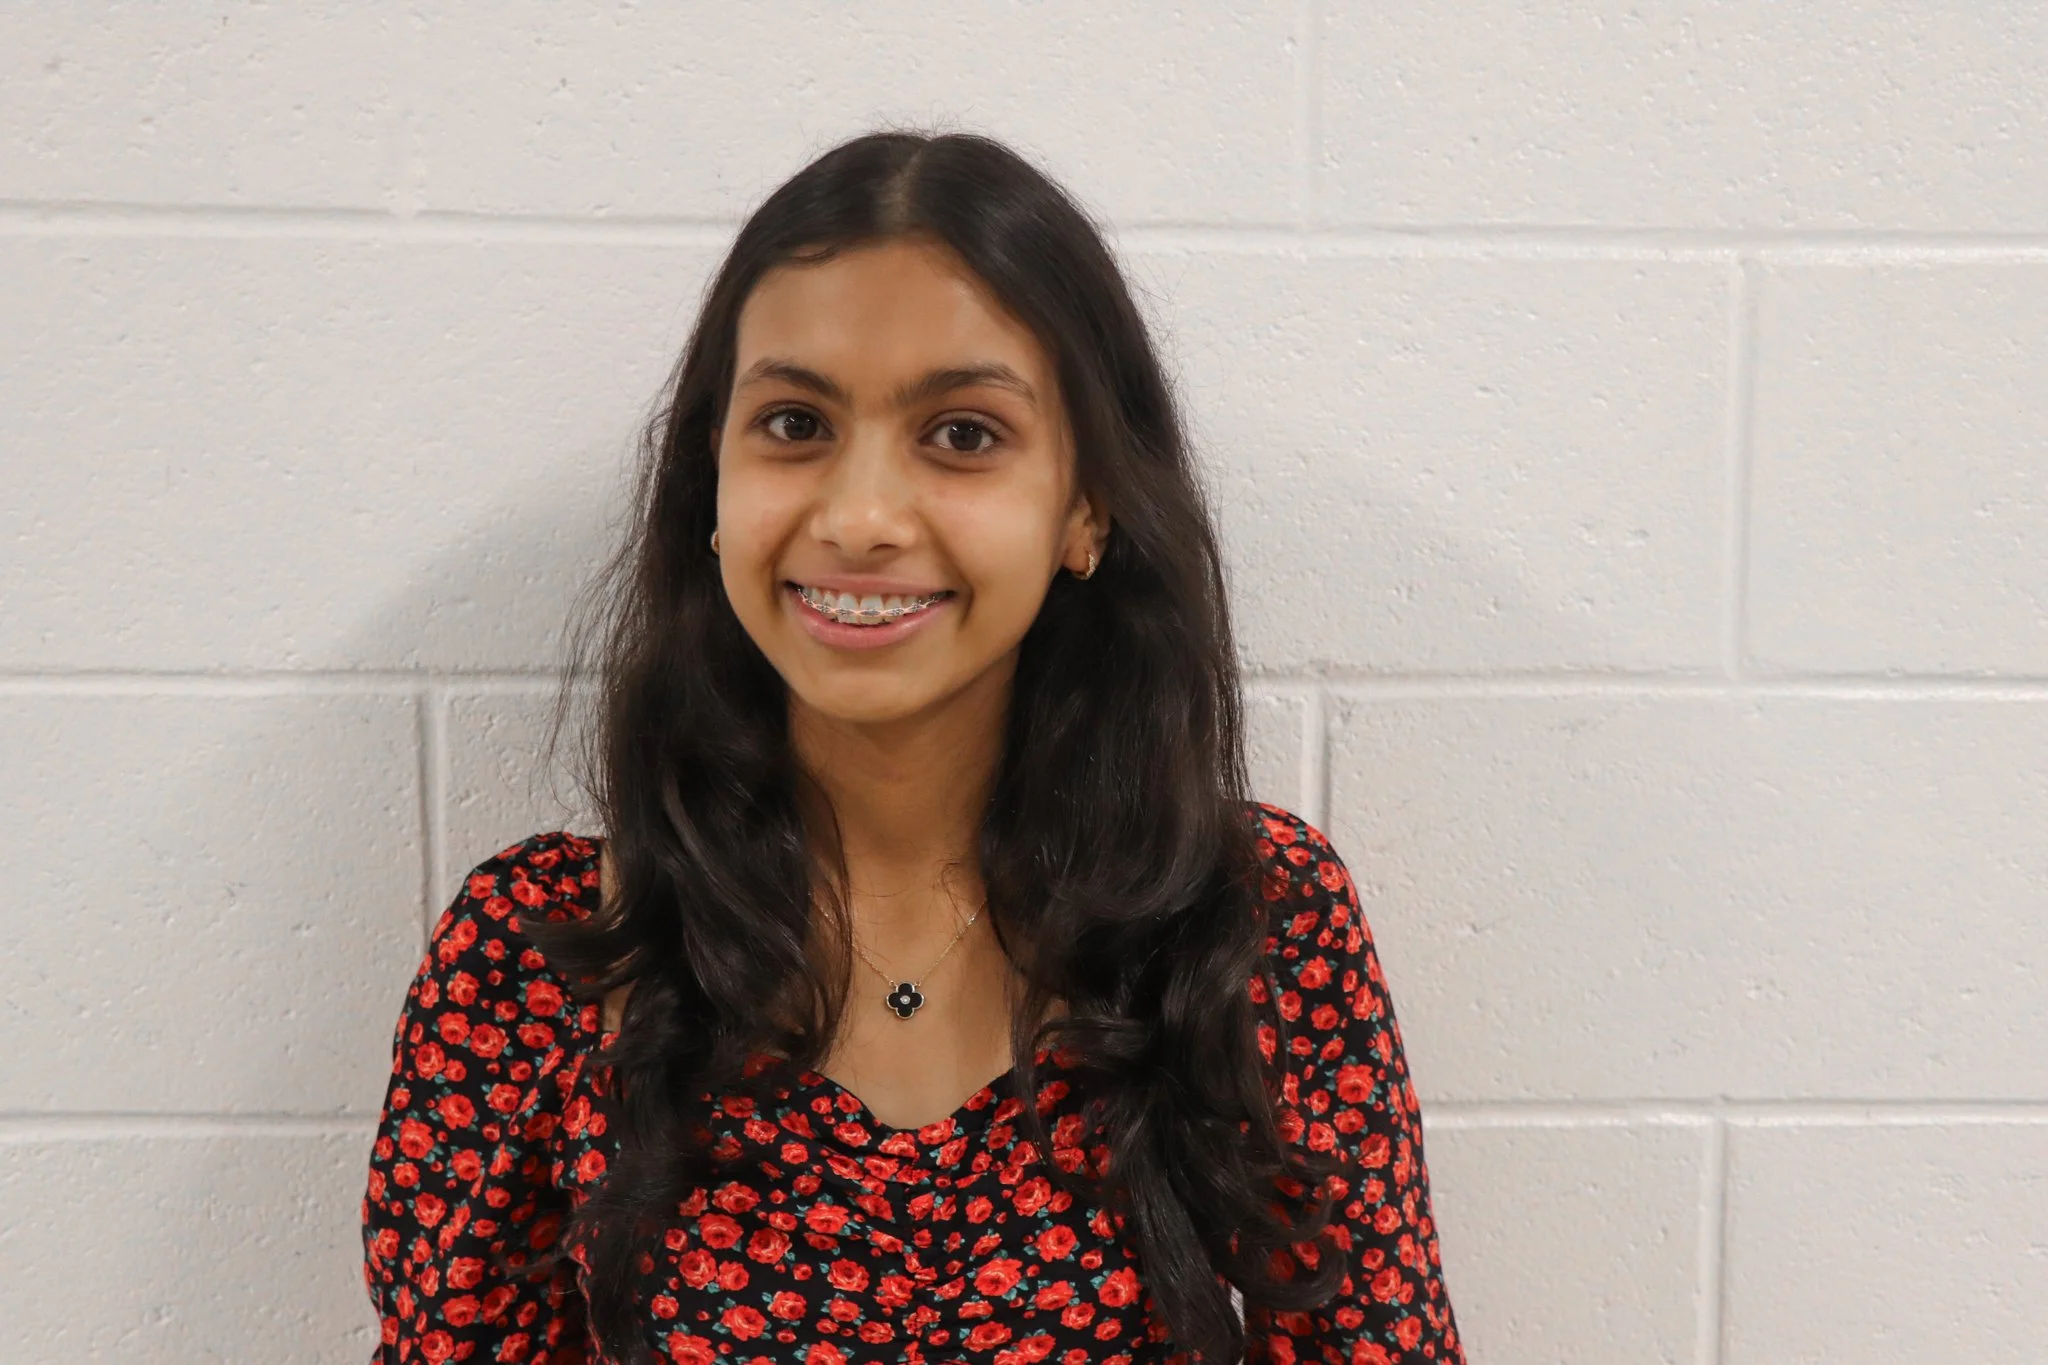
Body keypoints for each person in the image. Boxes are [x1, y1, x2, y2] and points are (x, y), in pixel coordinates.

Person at [361, 130, 1463, 1365]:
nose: (860, 518)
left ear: (1086, 507)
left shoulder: (1252, 925)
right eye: (793, 423)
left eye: (963, 435)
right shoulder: (540, 960)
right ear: (710, 487)